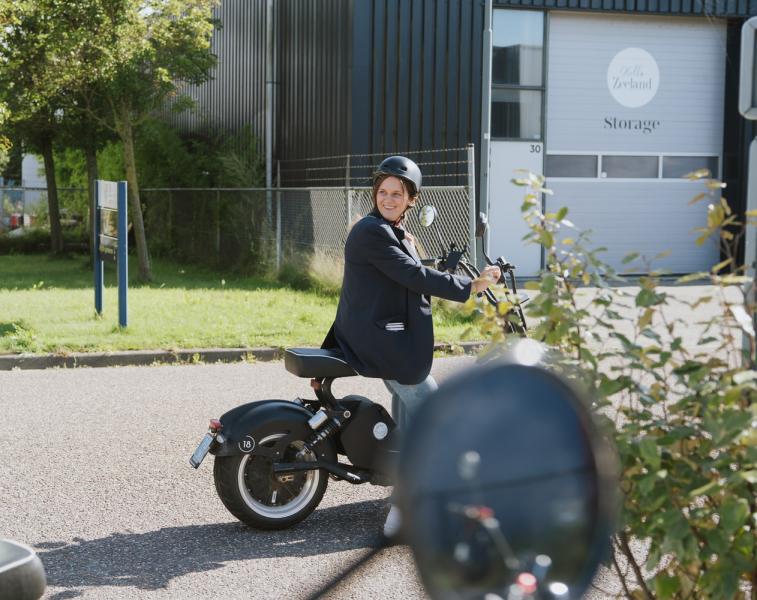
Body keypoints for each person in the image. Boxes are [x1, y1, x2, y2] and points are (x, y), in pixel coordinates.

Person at [322, 155, 500, 535]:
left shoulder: (392, 230)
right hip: (380, 339)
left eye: (397, 194)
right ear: (375, 194)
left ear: (411, 199)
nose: (388, 199)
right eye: (383, 192)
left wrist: (440, 267)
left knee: (410, 415)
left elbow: (405, 273)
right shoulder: (371, 231)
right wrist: (471, 286)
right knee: (432, 414)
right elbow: (411, 274)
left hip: (384, 334)